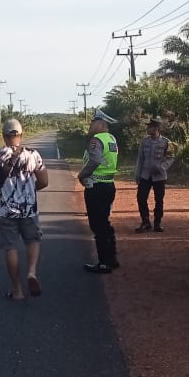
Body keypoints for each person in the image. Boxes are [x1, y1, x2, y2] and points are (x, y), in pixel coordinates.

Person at [0, 119, 49, 301]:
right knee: (33, 240)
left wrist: (0, 191)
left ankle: (17, 291)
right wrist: (30, 192)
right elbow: (44, 181)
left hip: (7, 210)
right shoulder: (33, 155)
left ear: (4, 136)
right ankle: (32, 272)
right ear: (20, 135)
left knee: (10, 247)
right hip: (29, 209)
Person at [79, 109, 119, 274]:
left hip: (96, 187)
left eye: (93, 122)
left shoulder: (96, 139)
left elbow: (95, 160)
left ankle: (104, 262)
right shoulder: (111, 138)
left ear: (101, 123)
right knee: (105, 223)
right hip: (109, 184)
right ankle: (112, 258)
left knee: (97, 225)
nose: (90, 125)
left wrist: (82, 174)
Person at [134, 115, 175, 233]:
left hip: (159, 176)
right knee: (141, 198)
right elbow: (140, 159)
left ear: (156, 128)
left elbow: (171, 157)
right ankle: (145, 222)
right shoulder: (144, 141)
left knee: (159, 200)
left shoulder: (166, 142)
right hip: (145, 175)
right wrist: (137, 174)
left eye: (150, 127)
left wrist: (163, 167)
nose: (147, 129)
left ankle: (157, 223)